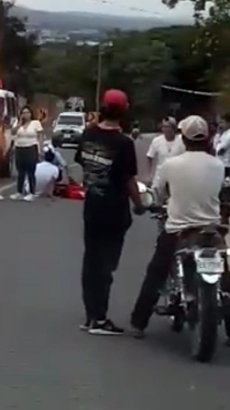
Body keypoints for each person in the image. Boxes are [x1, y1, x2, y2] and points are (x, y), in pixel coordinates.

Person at [130, 115, 224, 338]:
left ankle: (139, 322)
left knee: (156, 273)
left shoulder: (171, 165)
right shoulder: (218, 165)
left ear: (184, 137)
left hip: (178, 230)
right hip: (211, 231)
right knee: (226, 275)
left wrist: (150, 204)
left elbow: (156, 194)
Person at [75, 89, 144, 335]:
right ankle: (100, 319)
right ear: (124, 111)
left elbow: (82, 163)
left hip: (91, 208)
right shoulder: (124, 143)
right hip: (114, 211)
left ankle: (90, 315)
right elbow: (128, 179)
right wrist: (139, 204)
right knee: (106, 264)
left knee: (90, 261)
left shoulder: (88, 134)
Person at [11, 106, 44, 201]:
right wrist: (20, 124)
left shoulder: (35, 123)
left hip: (31, 147)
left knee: (30, 171)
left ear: (31, 114)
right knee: (20, 171)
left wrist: (40, 148)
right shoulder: (18, 122)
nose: (25, 114)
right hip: (19, 147)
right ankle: (19, 192)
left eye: (27, 112)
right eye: (23, 113)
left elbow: (40, 136)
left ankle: (32, 192)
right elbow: (13, 132)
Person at [146, 117, 185, 182]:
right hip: (160, 176)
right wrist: (150, 175)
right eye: (164, 127)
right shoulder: (156, 141)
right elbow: (149, 157)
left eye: (169, 127)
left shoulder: (181, 141)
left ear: (174, 128)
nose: (166, 129)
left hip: (176, 175)